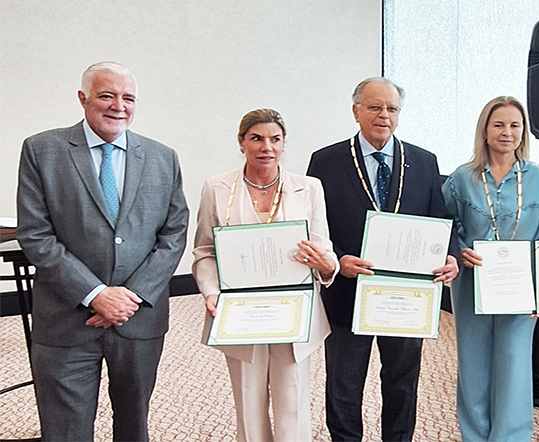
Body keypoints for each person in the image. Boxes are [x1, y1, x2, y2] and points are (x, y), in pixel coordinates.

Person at [15, 61, 189, 442]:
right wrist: (96, 295)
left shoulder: (163, 157)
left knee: (134, 424)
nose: (118, 106)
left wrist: (131, 296)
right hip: (66, 317)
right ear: (83, 98)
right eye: (106, 95)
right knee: (65, 430)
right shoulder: (41, 150)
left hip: (138, 317)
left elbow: (174, 234)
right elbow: (36, 234)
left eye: (128, 98)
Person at [307, 77, 459, 442]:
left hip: (407, 297)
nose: (383, 115)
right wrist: (338, 259)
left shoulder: (424, 161)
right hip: (348, 289)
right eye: (375, 107)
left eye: (392, 108)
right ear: (356, 111)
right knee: (344, 383)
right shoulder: (325, 161)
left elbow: (440, 221)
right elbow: (314, 225)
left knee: (402, 381)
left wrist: (451, 255)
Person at [192, 108, 338, 442]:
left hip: (294, 309)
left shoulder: (309, 188)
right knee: (248, 399)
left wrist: (327, 265)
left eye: (275, 139)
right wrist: (211, 291)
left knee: (293, 400)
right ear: (242, 142)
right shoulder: (217, 186)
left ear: (284, 144)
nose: (266, 147)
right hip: (238, 311)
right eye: (256, 138)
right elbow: (204, 251)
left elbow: (324, 249)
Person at [441, 96, 539, 441]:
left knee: (513, 363)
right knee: (473, 363)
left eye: (514, 125)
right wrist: (460, 251)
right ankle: (475, 434)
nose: (507, 132)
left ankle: (510, 436)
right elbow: (444, 227)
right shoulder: (461, 179)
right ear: (485, 130)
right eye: (499, 124)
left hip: (520, 287)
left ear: (524, 132)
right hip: (472, 285)